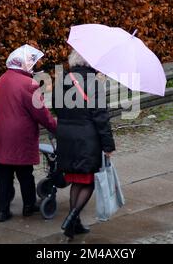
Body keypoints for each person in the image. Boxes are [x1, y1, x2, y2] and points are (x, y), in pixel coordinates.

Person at [0, 44, 57, 222]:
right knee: (25, 172)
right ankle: (29, 205)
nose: (33, 66)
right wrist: (56, 128)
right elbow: (41, 113)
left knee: (3, 173)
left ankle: (3, 210)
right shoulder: (29, 84)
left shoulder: (2, 79)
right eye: (31, 63)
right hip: (19, 135)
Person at [54, 49, 116, 239]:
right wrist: (108, 145)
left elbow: (56, 107)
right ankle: (71, 219)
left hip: (66, 136)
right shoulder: (93, 83)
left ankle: (75, 224)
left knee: (76, 179)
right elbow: (101, 118)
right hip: (86, 138)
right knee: (88, 181)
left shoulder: (62, 80)